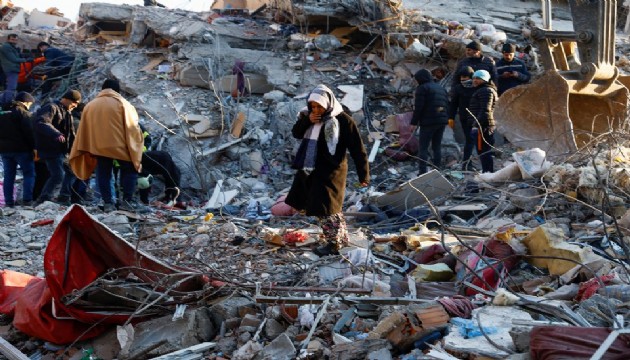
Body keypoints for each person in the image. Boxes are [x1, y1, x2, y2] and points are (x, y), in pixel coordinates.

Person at [285, 84, 370, 256]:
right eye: (313, 106)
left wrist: (364, 174)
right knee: (320, 206)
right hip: (310, 169)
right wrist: (307, 120)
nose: (316, 109)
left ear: (328, 103)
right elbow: (297, 133)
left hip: (332, 171)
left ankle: (334, 244)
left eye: (319, 106)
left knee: (328, 208)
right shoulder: (307, 117)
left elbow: (357, 149)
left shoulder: (343, 121)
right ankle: (339, 239)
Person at [69, 79, 145, 212]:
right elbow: (132, 128)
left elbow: (84, 129)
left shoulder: (90, 105)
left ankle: (108, 203)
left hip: (99, 147)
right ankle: (127, 201)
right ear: (117, 90)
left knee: (103, 173)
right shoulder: (124, 104)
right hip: (120, 146)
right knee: (130, 170)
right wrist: (136, 146)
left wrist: (88, 147)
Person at [33, 89, 81, 204]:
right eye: (75, 103)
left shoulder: (67, 112)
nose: (75, 106)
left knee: (72, 172)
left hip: (61, 151)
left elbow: (70, 134)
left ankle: (64, 197)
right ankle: (43, 199)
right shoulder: (51, 107)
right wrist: (56, 133)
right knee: (58, 175)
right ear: (69, 100)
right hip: (51, 149)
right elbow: (42, 122)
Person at [410, 69, 449, 175]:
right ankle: (437, 170)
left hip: (428, 122)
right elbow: (447, 104)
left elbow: (419, 107)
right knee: (436, 146)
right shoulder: (441, 87)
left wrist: (413, 123)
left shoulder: (422, 88)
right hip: (441, 121)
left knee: (423, 147)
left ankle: (422, 172)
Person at [0, 92, 35, 207]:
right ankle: (27, 201)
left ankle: (9, 203)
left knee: (9, 176)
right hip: (22, 150)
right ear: (25, 102)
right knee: (29, 174)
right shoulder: (22, 112)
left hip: (4, 151)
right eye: (30, 104)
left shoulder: (2, 113)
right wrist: (34, 147)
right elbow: (29, 132)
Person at [466, 70, 498, 173]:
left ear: (485, 79)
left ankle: (488, 174)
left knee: (484, 152)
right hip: (483, 125)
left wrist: (476, 125)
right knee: (483, 152)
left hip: (483, 126)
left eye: (478, 78)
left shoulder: (485, 91)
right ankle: (487, 173)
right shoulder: (482, 90)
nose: (475, 80)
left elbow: (485, 110)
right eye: (474, 78)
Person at [448, 66, 477, 171]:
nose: (462, 80)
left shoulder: (477, 86)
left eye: (465, 77)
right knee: (469, 140)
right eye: (461, 77)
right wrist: (451, 117)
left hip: (477, 118)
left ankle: (471, 163)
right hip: (465, 118)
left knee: (475, 141)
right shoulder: (458, 88)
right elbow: (453, 104)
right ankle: (467, 164)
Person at [0, 34, 30, 104]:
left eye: (16, 40)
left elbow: (16, 56)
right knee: (12, 87)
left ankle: (3, 101)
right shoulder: (6, 47)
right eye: (12, 39)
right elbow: (14, 59)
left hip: (12, 69)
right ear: (8, 39)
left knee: (10, 86)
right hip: (11, 69)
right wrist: (26, 59)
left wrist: (22, 55)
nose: (14, 41)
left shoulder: (11, 47)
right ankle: (8, 103)